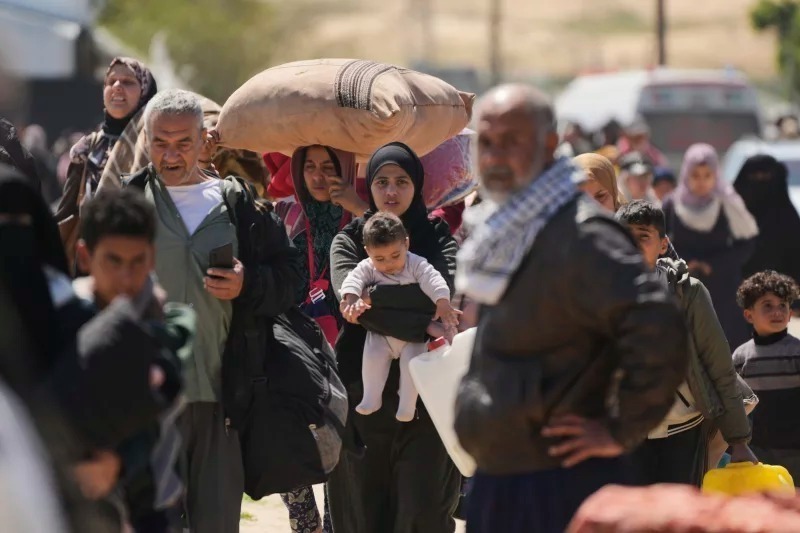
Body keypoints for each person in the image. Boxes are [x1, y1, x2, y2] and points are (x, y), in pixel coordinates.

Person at [452, 84, 688, 533]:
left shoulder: (581, 234)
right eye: (486, 141)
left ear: (547, 145)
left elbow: (658, 324)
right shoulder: (507, 229)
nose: (495, 155)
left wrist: (618, 428)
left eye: (511, 140)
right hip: (502, 474)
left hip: (560, 483)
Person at [124, 89, 301, 533]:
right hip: (148, 400)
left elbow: (289, 276)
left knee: (216, 523)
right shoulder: (127, 204)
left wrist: (248, 284)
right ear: (146, 141)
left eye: (183, 142)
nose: (171, 154)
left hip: (222, 398)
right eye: (160, 142)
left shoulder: (235, 203)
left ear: (205, 141)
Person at [328, 141, 461, 533]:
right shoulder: (350, 240)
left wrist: (377, 301)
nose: (390, 192)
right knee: (361, 513)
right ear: (368, 186)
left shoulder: (436, 237)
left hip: (425, 401)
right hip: (362, 398)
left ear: (416, 186)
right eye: (382, 181)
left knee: (421, 510)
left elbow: (442, 294)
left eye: (401, 181)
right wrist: (418, 311)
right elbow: (350, 304)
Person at [74, 187, 194, 531]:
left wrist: (117, 464)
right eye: (113, 261)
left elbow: (161, 403)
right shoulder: (65, 317)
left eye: (137, 261)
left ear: (152, 258)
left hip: (148, 502)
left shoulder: (170, 323)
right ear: (85, 257)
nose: (126, 279)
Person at [616, 200, 757, 487]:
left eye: (643, 237)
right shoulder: (595, 295)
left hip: (682, 430)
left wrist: (738, 439)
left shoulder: (688, 294)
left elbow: (718, 365)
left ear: (663, 245)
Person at [273, 144, 366, 533]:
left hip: (350, 347)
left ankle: (332, 524)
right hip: (292, 347)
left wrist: (361, 209)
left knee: (339, 446)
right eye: (308, 166)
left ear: (345, 167)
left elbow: (397, 252)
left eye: (328, 165)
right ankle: (304, 521)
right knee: (286, 440)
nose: (318, 174)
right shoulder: (281, 212)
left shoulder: (364, 212)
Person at [340, 212, 460, 421]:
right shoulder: (368, 267)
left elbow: (434, 279)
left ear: (406, 243)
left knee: (412, 367)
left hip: (412, 333)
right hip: (382, 331)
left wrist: (442, 301)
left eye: (395, 255)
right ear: (368, 252)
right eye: (380, 258)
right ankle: (371, 397)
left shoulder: (415, 263)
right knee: (372, 358)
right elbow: (353, 280)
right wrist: (351, 299)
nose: (388, 264)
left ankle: (407, 404)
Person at [55, 57, 158, 274]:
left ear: (146, 92)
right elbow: (67, 212)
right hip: (92, 261)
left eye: (128, 82)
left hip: (145, 258)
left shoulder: (160, 145)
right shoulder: (87, 147)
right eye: (111, 82)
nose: (117, 87)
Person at [662, 143, 759, 349]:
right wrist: (684, 262)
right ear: (686, 174)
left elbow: (747, 243)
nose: (701, 182)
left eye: (707, 175)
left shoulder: (728, 203)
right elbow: (661, 243)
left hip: (723, 289)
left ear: (716, 175)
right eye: (695, 175)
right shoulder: (671, 204)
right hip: (682, 288)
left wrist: (713, 265)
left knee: (727, 350)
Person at [734, 270, 800, 484]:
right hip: (757, 451)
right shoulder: (741, 356)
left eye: (783, 305)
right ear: (749, 315)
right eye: (767, 305)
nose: (777, 312)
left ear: (790, 314)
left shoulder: (796, 352)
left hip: (794, 450)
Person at [734, 155, 800, 285]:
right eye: (754, 176)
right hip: (735, 296)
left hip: (780, 296)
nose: (760, 181)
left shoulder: (788, 219)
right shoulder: (732, 216)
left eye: (766, 176)